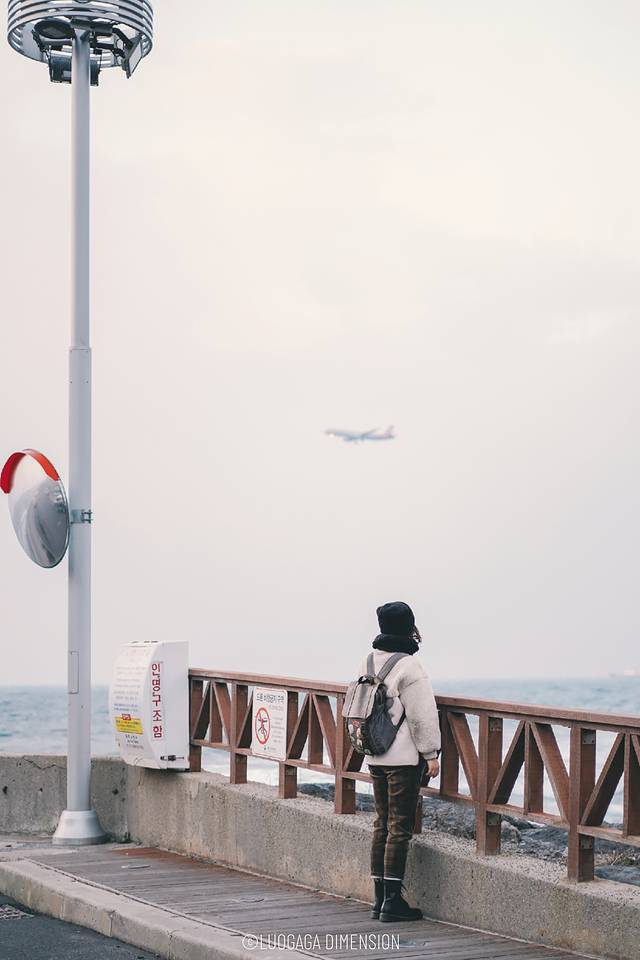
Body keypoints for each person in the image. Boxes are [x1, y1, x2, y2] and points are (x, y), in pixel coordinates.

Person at [359, 601, 440, 923]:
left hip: (374, 754)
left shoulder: (368, 661)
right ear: (409, 627)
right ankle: (393, 903)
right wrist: (431, 755)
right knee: (399, 829)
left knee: (381, 824)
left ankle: (379, 900)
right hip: (403, 760)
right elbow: (422, 716)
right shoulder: (409, 667)